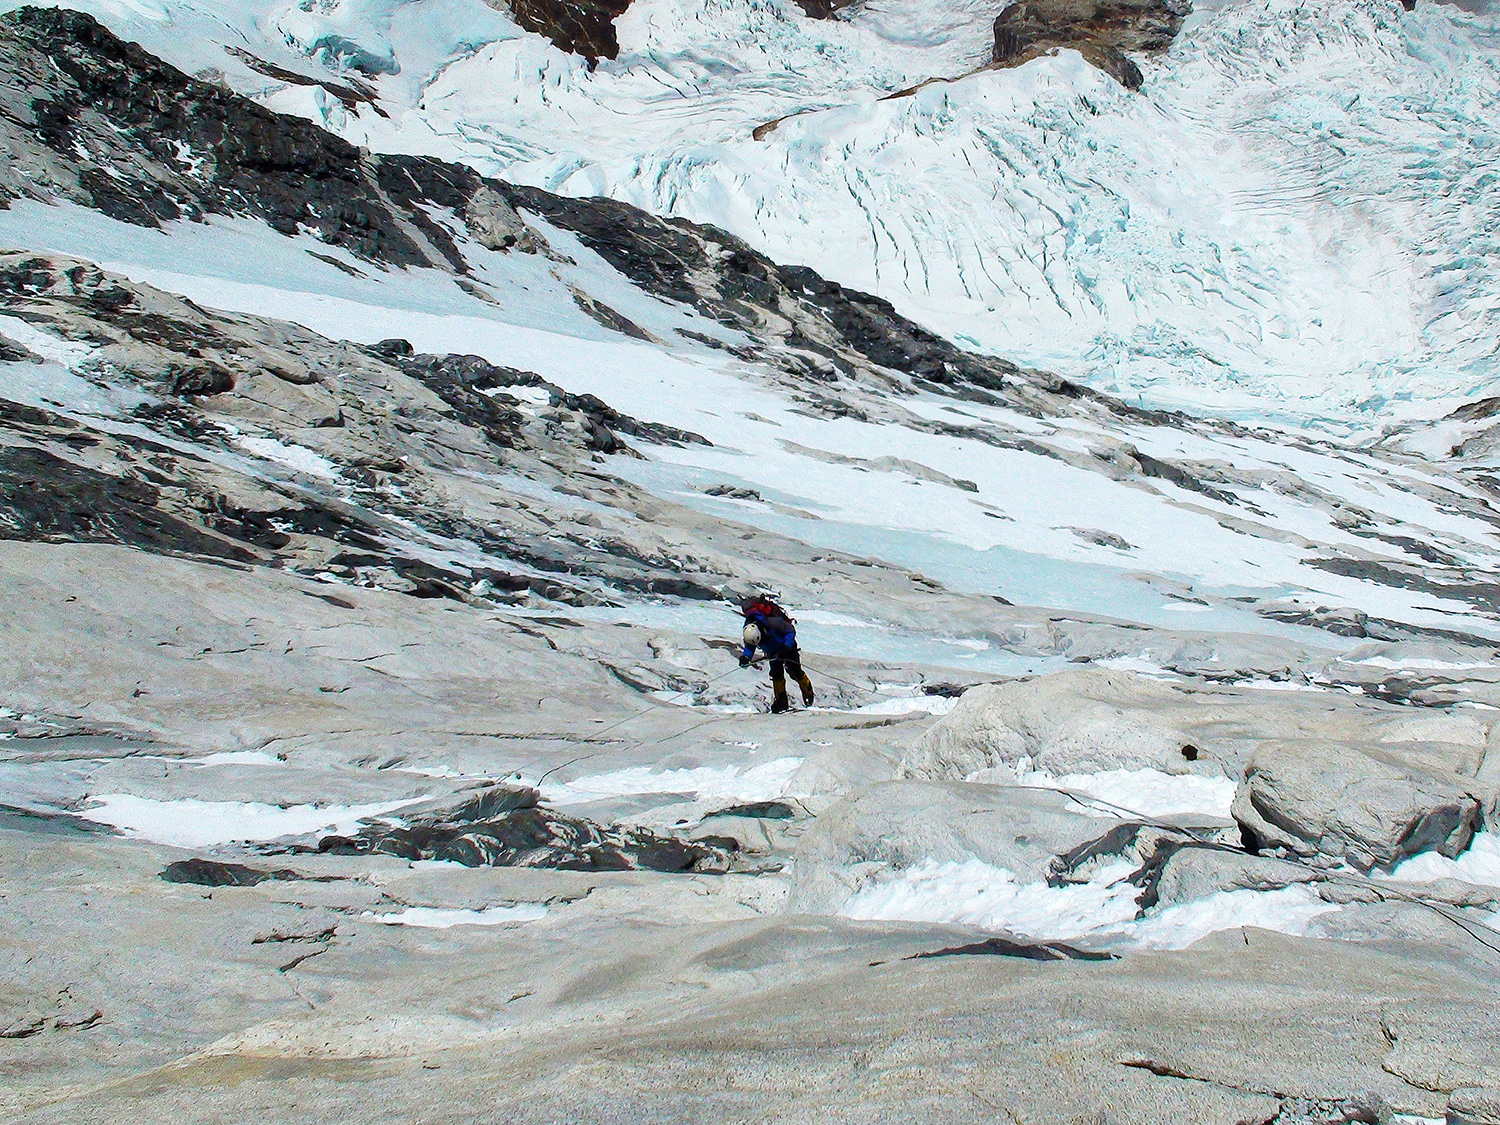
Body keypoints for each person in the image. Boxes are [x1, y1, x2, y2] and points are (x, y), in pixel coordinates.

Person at [738, 594, 815, 714]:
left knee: (794, 671)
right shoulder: (750, 630)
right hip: (773, 652)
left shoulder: (772, 622)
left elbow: (790, 630)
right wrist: (746, 657)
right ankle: (781, 701)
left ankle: (807, 689)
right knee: (776, 674)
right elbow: (750, 645)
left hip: (787, 647)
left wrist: (786, 647)